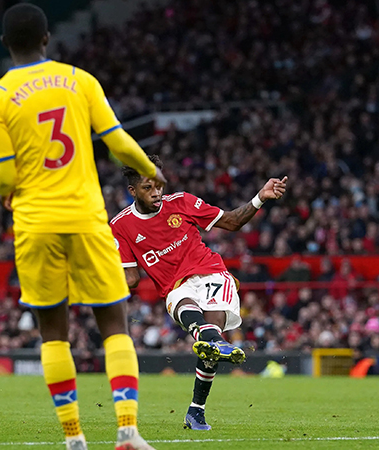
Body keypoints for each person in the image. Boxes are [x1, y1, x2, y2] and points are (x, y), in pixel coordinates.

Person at [0, 5, 166, 450]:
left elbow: (3, 176)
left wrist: (9, 194)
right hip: (85, 217)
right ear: (47, 39)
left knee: (53, 333)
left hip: (35, 222)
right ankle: (126, 430)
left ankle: (74, 438)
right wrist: (150, 172)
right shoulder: (80, 81)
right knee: (114, 324)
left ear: (6, 44)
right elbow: (117, 141)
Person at [110, 155, 287, 431]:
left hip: (213, 272)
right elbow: (131, 278)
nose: (156, 192)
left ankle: (196, 411)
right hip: (176, 287)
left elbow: (231, 222)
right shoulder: (120, 226)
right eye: (148, 188)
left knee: (210, 344)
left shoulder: (181, 202)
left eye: (158, 185)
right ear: (132, 191)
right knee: (192, 313)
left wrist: (260, 198)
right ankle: (212, 344)